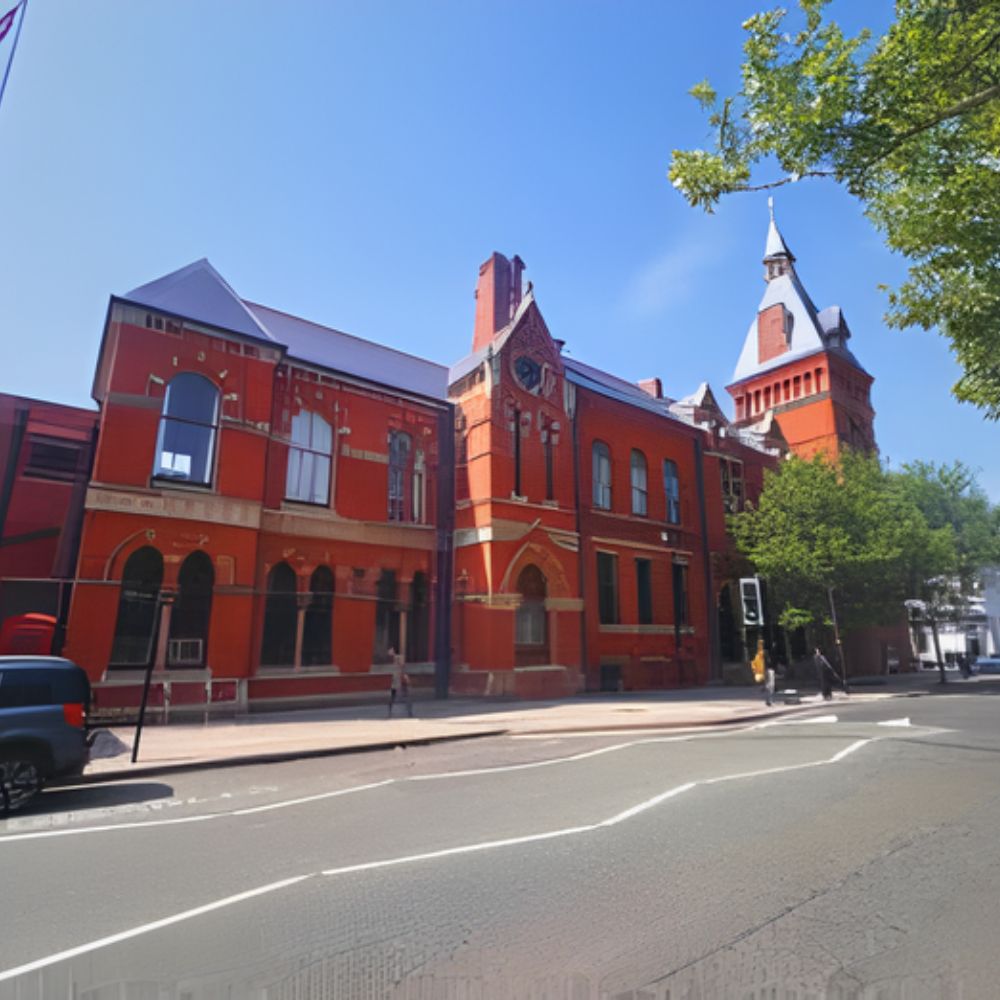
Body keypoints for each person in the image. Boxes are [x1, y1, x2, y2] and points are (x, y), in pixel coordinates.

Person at [386, 648, 413, 718]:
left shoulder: (398, 658)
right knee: (393, 697)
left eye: (390, 651)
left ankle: (409, 712)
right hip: (396, 682)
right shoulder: (393, 661)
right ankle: (390, 712)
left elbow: (403, 668)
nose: (389, 652)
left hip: (400, 681)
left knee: (405, 697)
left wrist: (406, 678)